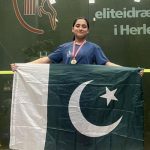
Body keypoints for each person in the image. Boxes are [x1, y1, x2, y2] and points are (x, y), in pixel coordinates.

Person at [11, 17, 143, 75]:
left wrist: (129, 70)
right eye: (78, 26)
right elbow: (45, 60)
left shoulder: (94, 48)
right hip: (66, 86)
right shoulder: (64, 47)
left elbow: (107, 64)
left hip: (86, 87)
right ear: (72, 29)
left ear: (88, 30)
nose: (81, 28)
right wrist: (22, 66)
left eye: (84, 26)